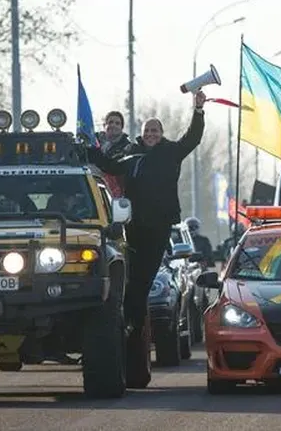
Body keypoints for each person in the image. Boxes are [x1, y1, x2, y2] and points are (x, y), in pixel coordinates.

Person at [85, 90, 205, 379]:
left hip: (158, 228)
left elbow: (193, 138)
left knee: (143, 283)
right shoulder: (131, 156)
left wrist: (198, 109)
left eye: (155, 131)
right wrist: (88, 146)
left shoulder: (171, 152)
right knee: (130, 282)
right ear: (142, 134)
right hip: (133, 227)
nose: (151, 134)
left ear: (161, 134)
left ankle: (133, 322)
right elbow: (109, 165)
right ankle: (130, 324)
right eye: (147, 131)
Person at [95, 110, 130, 197]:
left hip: (116, 194)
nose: (113, 125)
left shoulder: (127, 147)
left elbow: (114, 167)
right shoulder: (94, 142)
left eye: (117, 123)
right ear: (104, 125)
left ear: (122, 128)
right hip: (94, 191)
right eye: (110, 122)